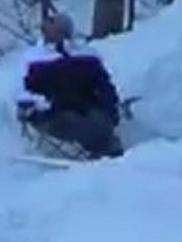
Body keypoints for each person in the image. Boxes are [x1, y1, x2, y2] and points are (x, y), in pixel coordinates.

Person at [15, 11, 125, 159]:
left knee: (100, 120)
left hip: (87, 106)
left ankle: (108, 151)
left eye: (55, 30)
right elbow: (23, 90)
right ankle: (102, 152)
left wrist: (111, 106)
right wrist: (34, 105)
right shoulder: (34, 59)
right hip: (52, 111)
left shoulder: (85, 56)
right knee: (75, 123)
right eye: (47, 30)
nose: (49, 34)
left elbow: (104, 85)